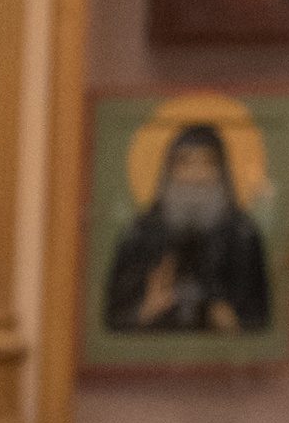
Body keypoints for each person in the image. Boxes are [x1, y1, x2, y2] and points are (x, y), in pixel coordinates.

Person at [102, 119, 273, 339]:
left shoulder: (242, 236)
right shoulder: (140, 235)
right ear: (169, 170)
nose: (196, 174)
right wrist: (145, 310)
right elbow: (112, 321)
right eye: (185, 163)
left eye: (207, 163)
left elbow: (261, 320)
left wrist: (233, 321)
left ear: (222, 171)